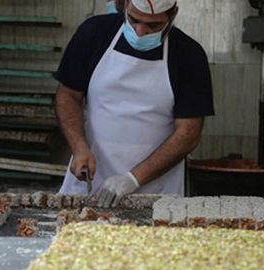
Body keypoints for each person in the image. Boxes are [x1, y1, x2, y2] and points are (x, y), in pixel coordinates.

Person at [56, 0, 214, 207]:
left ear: (173, 14)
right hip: (91, 178)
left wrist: (133, 179)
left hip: (156, 190)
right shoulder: (95, 33)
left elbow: (188, 134)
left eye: (153, 25)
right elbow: (68, 95)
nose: (140, 32)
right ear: (127, 4)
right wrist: (79, 147)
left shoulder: (189, 55)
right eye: (134, 20)